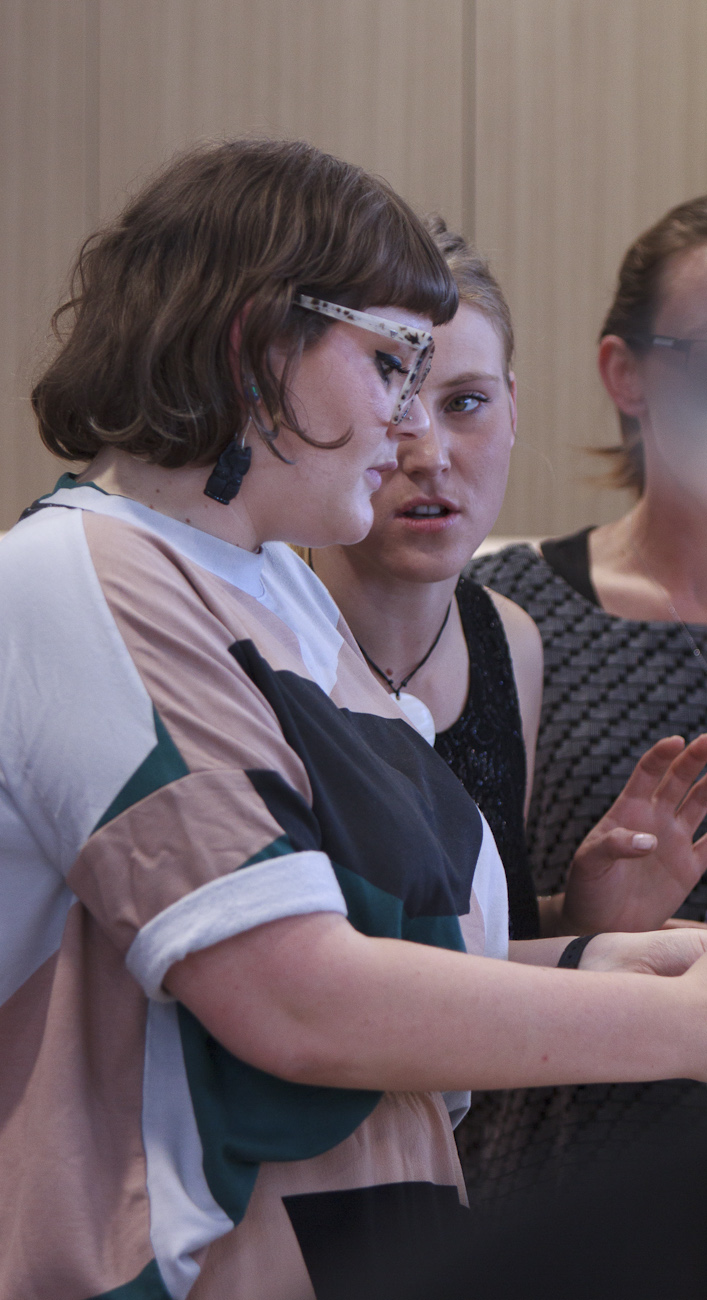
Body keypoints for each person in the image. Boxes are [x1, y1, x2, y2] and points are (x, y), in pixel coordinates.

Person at [0, 143, 707, 1300]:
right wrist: (678, 1024)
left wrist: (615, 958)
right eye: (390, 362)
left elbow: (388, 963)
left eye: (446, 385)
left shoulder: (274, 597)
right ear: (258, 347)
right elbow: (296, 998)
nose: (409, 422)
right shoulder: (89, 581)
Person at [304, 215, 707, 1200]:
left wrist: (589, 920)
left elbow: (478, 936)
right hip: (435, 1175)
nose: (426, 450)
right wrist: (614, 960)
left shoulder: (498, 640)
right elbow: (315, 982)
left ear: (511, 407)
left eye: (465, 403)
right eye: (395, 401)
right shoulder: (259, 635)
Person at [469, 196, 707, 1198]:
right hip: (566, 1186)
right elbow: (440, 938)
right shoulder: (505, 613)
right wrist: (586, 918)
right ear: (626, 373)